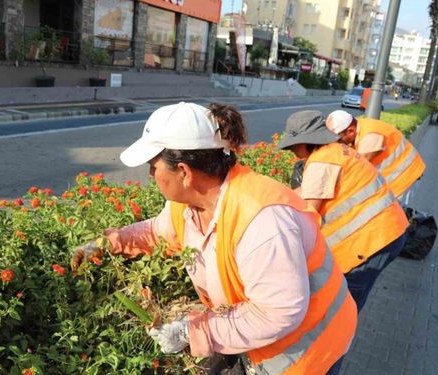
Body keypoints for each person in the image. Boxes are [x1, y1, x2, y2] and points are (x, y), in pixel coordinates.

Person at [72, 102, 357, 375]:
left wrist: (190, 331)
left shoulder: (262, 220)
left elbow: (278, 312)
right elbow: (157, 232)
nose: (150, 174)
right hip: (264, 335)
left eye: (153, 166)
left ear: (183, 172)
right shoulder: (188, 206)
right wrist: (106, 243)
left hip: (307, 348)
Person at [277, 110, 409, 311]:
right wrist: (277, 196)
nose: (291, 151)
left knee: (343, 304)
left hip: (372, 241)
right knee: (348, 298)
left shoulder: (322, 162)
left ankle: (339, 339)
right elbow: (308, 191)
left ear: (308, 141)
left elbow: (310, 213)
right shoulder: (335, 151)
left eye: (294, 145)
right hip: (388, 232)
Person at [325, 110, 426, 205]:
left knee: (390, 216)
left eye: (338, 138)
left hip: (403, 178)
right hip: (396, 177)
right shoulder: (359, 127)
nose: (336, 142)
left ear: (350, 131)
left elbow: (356, 170)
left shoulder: (370, 136)